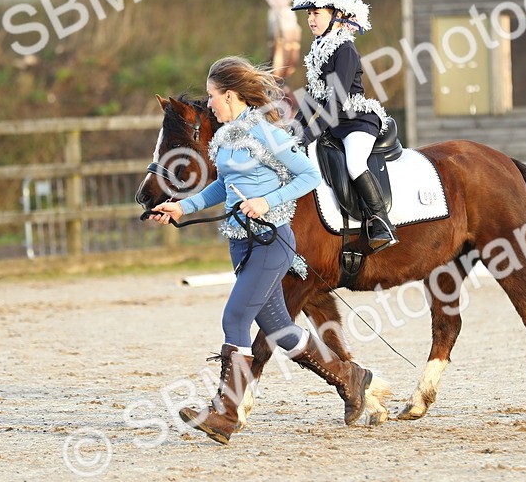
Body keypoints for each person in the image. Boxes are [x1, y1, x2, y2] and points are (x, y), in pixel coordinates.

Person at [147, 56, 376, 445]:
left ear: (231, 96)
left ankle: (225, 412)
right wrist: (181, 207)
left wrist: (268, 202)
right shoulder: (224, 136)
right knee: (282, 331)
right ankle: (349, 376)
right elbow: (222, 188)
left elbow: (309, 175)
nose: (210, 104)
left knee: (234, 317)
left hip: (271, 242)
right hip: (241, 243)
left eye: (213, 96)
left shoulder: (265, 134)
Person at [290, 0, 398, 252]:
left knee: (354, 163)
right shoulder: (318, 49)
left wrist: (309, 134)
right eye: (309, 15)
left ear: (337, 13)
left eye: (315, 13)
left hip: (358, 120)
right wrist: (294, 129)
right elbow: (313, 96)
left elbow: (336, 101)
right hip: (336, 121)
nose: (310, 19)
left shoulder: (345, 49)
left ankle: (381, 222)